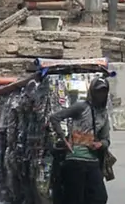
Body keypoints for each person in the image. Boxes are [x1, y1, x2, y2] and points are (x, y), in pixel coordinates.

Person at [50, 75, 111, 204]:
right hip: (75, 159)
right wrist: (64, 139)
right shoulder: (81, 107)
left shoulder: (104, 113)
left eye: (104, 91)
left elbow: (106, 139)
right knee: (75, 198)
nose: (101, 94)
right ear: (92, 92)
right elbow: (55, 117)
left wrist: (100, 144)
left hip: (93, 160)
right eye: (98, 91)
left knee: (99, 197)